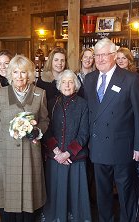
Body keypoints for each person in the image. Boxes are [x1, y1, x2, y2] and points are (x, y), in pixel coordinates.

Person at [84, 38, 139, 222]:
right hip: (97, 147)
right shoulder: (89, 79)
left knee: (125, 193)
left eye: (105, 54)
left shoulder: (130, 79)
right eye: (98, 55)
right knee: (102, 194)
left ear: (114, 55)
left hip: (122, 148)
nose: (101, 59)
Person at [0, 55, 50, 221]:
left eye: (23, 72)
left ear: (29, 74)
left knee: (30, 199)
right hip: (5, 153)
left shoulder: (39, 93)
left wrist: (37, 131)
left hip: (30, 152)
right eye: (15, 72)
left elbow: (45, 120)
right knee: (8, 197)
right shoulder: (1, 94)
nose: (19, 76)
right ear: (10, 74)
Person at [42, 70, 91, 222]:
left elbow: (84, 133)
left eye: (70, 82)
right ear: (59, 84)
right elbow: (46, 129)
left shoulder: (83, 104)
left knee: (75, 193)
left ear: (75, 85)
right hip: (54, 157)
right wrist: (56, 151)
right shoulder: (51, 103)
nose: (67, 85)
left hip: (75, 158)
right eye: (64, 82)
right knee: (56, 191)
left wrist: (68, 153)